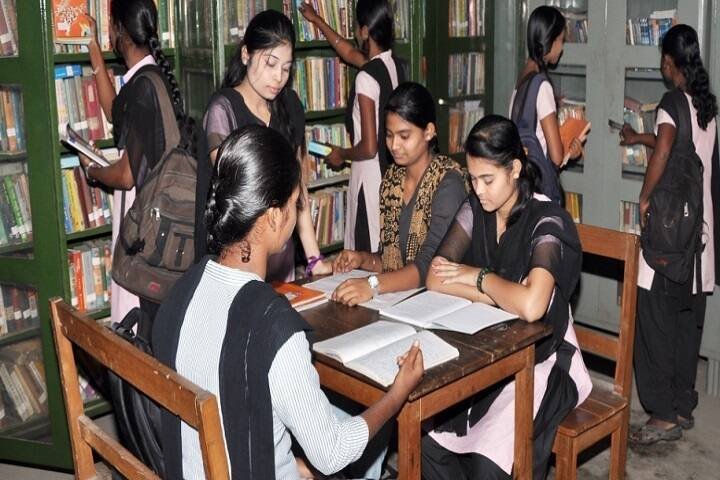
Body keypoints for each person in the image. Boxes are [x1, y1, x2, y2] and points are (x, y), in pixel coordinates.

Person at [151, 125, 424, 480]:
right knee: (366, 424)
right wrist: (397, 393)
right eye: (295, 203)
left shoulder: (183, 290)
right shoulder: (274, 327)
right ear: (274, 217)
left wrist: (291, 464)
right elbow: (332, 453)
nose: (297, 213)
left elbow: (227, 407)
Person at [420, 115, 592, 479]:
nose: (478, 189)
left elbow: (531, 306)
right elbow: (436, 278)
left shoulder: (548, 221)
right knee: (429, 441)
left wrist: (478, 277)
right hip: (487, 351)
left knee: (488, 462)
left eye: (488, 179)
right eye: (472, 179)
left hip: (541, 362)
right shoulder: (475, 208)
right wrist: (498, 294)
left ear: (514, 169)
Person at [620, 24, 718, 445]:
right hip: (700, 234)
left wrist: (644, 197)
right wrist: (638, 135)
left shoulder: (669, 102)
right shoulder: (704, 105)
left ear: (669, 60)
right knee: (685, 322)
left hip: (670, 234)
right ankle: (681, 405)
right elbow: (677, 141)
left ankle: (661, 414)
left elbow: (664, 150)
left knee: (655, 320)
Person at [79, 0, 194, 322]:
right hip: (158, 204)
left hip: (142, 210)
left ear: (118, 29)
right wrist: (93, 48)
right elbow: (115, 112)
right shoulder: (150, 77)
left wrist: (93, 169)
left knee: (134, 300)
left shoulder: (143, 87)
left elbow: (127, 175)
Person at [203, 10, 331, 281]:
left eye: (286, 68)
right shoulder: (223, 110)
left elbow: (298, 191)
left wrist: (314, 259)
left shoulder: (291, 106)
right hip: (239, 256)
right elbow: (236, 195)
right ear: (246, 54)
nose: (278, 78)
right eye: (271, 64)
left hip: (281, 253)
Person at [331, 82, 467, 306]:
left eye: (404, 136)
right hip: (401, 301)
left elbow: (430, 266)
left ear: (429, 132)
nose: (394, 145)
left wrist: (372, 284)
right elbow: (389, 260)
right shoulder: (392, 180)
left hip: (440, 303)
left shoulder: (448, 183)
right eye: (389, 135)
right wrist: (362, 259)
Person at [299, 0, 403, 252]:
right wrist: (317, 20)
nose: (355, 32)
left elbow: (368, 147)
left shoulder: (366, 78)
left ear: (365, 30)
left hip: (370, 180)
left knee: (367, 254)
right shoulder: (392, 65)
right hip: (390, 176)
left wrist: (340, 154)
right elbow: (347, 52)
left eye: (357, 27)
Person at [510, 5, 584, 204]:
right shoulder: (541, 85)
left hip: (523, 188)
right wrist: (572, 150)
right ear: (549, 40)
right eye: (561, 40)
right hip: (540, 191)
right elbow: (557, 157)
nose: (562, 47)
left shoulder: (521, 81)